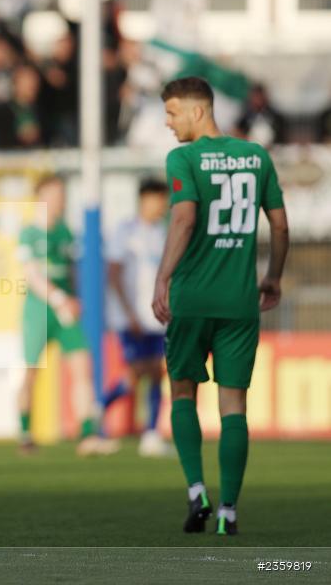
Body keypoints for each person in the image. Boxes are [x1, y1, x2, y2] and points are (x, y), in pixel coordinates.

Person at [154, 77, 288, 536]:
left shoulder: (184, 158)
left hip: (191, 298)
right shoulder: (256, 157)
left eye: (172, 113)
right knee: (234, 406)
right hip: (239, 301)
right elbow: (281, 225)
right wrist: (272, 276)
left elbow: (185, 216)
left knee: (183, 393)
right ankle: (229, 509)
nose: (168, 123)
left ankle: (197, 492)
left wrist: (163, 276)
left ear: (198, 111)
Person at [16, 175, 119, 457]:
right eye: (54, 194)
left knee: (82, 367)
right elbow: (33, 276)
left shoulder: (65, 232)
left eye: (62, 194)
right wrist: (60, 299)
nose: (60, 200)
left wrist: (74, 299)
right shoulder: (29, 233)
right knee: (31, 372)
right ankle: (25, 433)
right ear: (41, 197)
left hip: (66, 311)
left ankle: (87, 434)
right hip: (39, 310)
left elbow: (71, 270)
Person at [104, 178, 172, 457]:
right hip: (131, 317)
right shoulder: (125, 230)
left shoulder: (163, 231)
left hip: (156, 317)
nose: (162, 206)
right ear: (145, 199)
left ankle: (152, 434)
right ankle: (100, 411)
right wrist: (129, 312)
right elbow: (115, 274)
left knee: (157, 373)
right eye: (159, 200)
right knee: (135, 375)